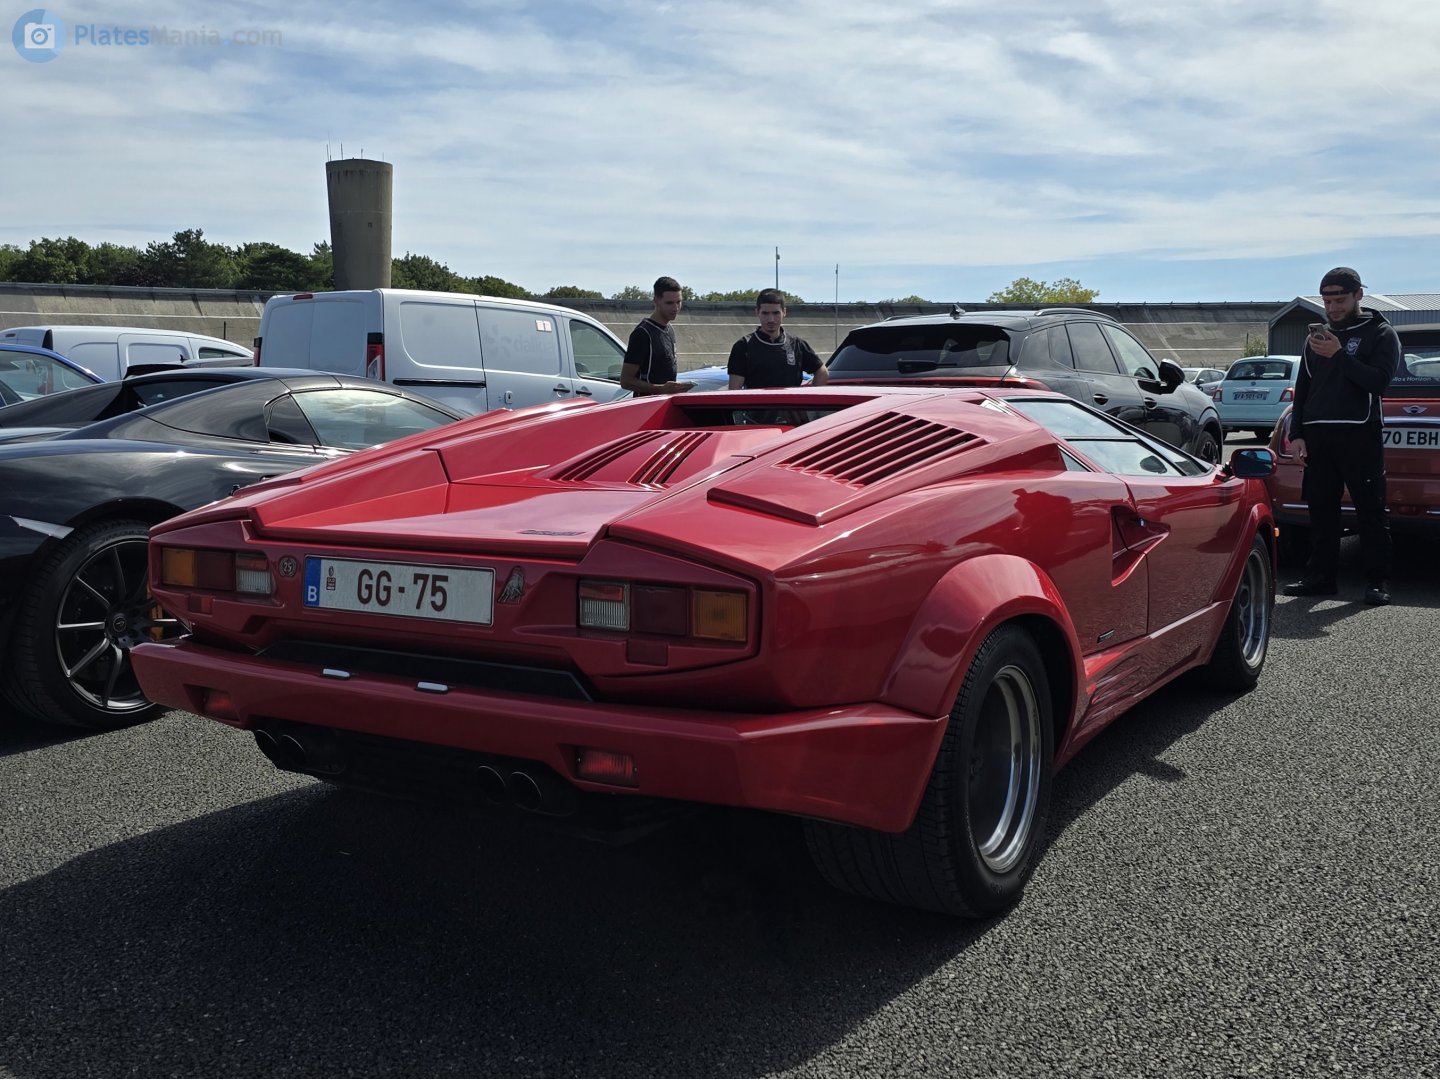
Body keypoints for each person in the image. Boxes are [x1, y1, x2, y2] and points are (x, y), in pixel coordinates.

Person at [1282, 267, 1400, 605]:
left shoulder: (1380, 332)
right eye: (1327, 300)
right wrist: (1298, 432)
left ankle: (1377, 581)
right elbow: (1303, 389)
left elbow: (1378, 382)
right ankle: (1320, 577)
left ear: (1358, 296)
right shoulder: (1316, 337)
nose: (1332, 308)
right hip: (1319, 435)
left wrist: (1340, 354)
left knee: (1371, 511)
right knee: (1321, 511)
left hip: (1359, 433)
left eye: (1340, 299)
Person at [726, 288, 831, 389]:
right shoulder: (743, 346)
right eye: (765, 313)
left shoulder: (796, 344)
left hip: (790, 407)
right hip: (757, 407)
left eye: (776, 313)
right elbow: (735, 389)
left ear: (784, 312)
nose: (771, 319)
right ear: (757, 312)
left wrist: (808, 401)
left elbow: (822, 372)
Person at [621, 277, 693, 396]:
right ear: (656, 301)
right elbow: (626, 381)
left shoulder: (669, 329)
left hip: (666, 404)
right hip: (647, 407)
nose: (675, 308)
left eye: (678, 302)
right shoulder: (643, 333)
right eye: (669, 303)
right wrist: (661, 389)